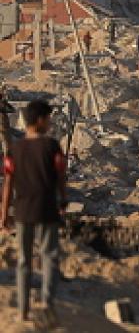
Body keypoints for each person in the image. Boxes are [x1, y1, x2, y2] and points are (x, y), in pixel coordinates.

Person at [0, 100, 67, 324]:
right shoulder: (52, 146)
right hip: (46, 209)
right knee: (49, 257)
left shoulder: (14, 150)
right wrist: (63, 200)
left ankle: (23, 310)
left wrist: (4, 215)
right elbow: (60, 175)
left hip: (22, 212)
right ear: (39, 120)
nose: (50, 123)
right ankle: (47, 303)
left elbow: (8, 183)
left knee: (23, 261)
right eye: (48, 119)